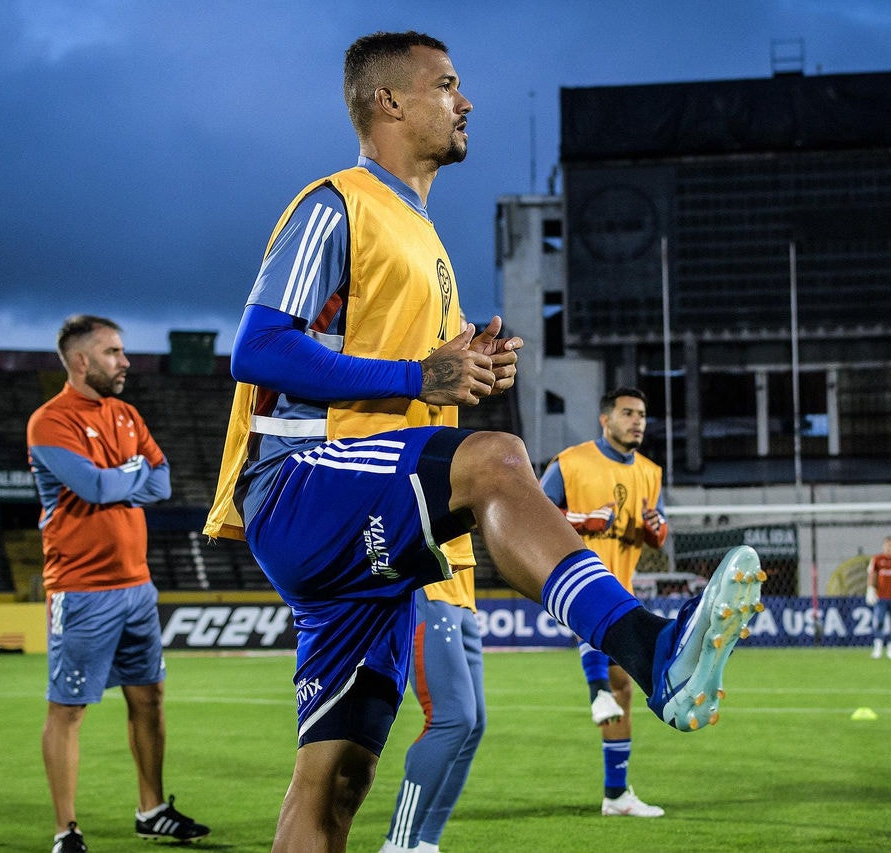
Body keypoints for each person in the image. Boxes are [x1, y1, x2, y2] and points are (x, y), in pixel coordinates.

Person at [204, 31, 763, 852]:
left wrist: (465, 365)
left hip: (366, 537)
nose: (465, 102)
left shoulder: (424, 236)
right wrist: (417, 379)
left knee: (335, 781)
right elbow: (255, 348)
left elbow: (407, 366)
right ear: (388, 101)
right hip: (304, 486)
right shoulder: (336, 203)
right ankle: (652, 649)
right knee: (499, 459)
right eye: (447, 85)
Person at [28, 315, 210, 852]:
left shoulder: (127, 414)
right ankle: (67, 831)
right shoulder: (49, 421)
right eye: (113, 352)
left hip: (137, 586)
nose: (125, 361)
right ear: (81, 361)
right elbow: (96, 486)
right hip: (81, 589)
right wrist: (127, 477)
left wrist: (120, 479)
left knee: (149, 698)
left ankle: (151, 810)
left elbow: (163, 480)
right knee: (68, 710)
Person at [539, 387, 670, 818]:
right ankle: (596, 690)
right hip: (570, 583)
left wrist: (656, 529)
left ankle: (616, 795)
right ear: (605, 419)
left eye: (643, 415)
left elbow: (659, 528)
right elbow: (530, 514)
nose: (638, 422)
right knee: (609, 671)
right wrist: (579, 519)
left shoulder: (650, 472)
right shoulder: (570, 463)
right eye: (628, 413)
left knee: (622, 691)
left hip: (623, 591)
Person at [379, 540, 483, 853]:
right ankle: (398, 843)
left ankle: (426, 842)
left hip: (460, 594)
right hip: (428, 587)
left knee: (472, 726)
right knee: (451, 719)